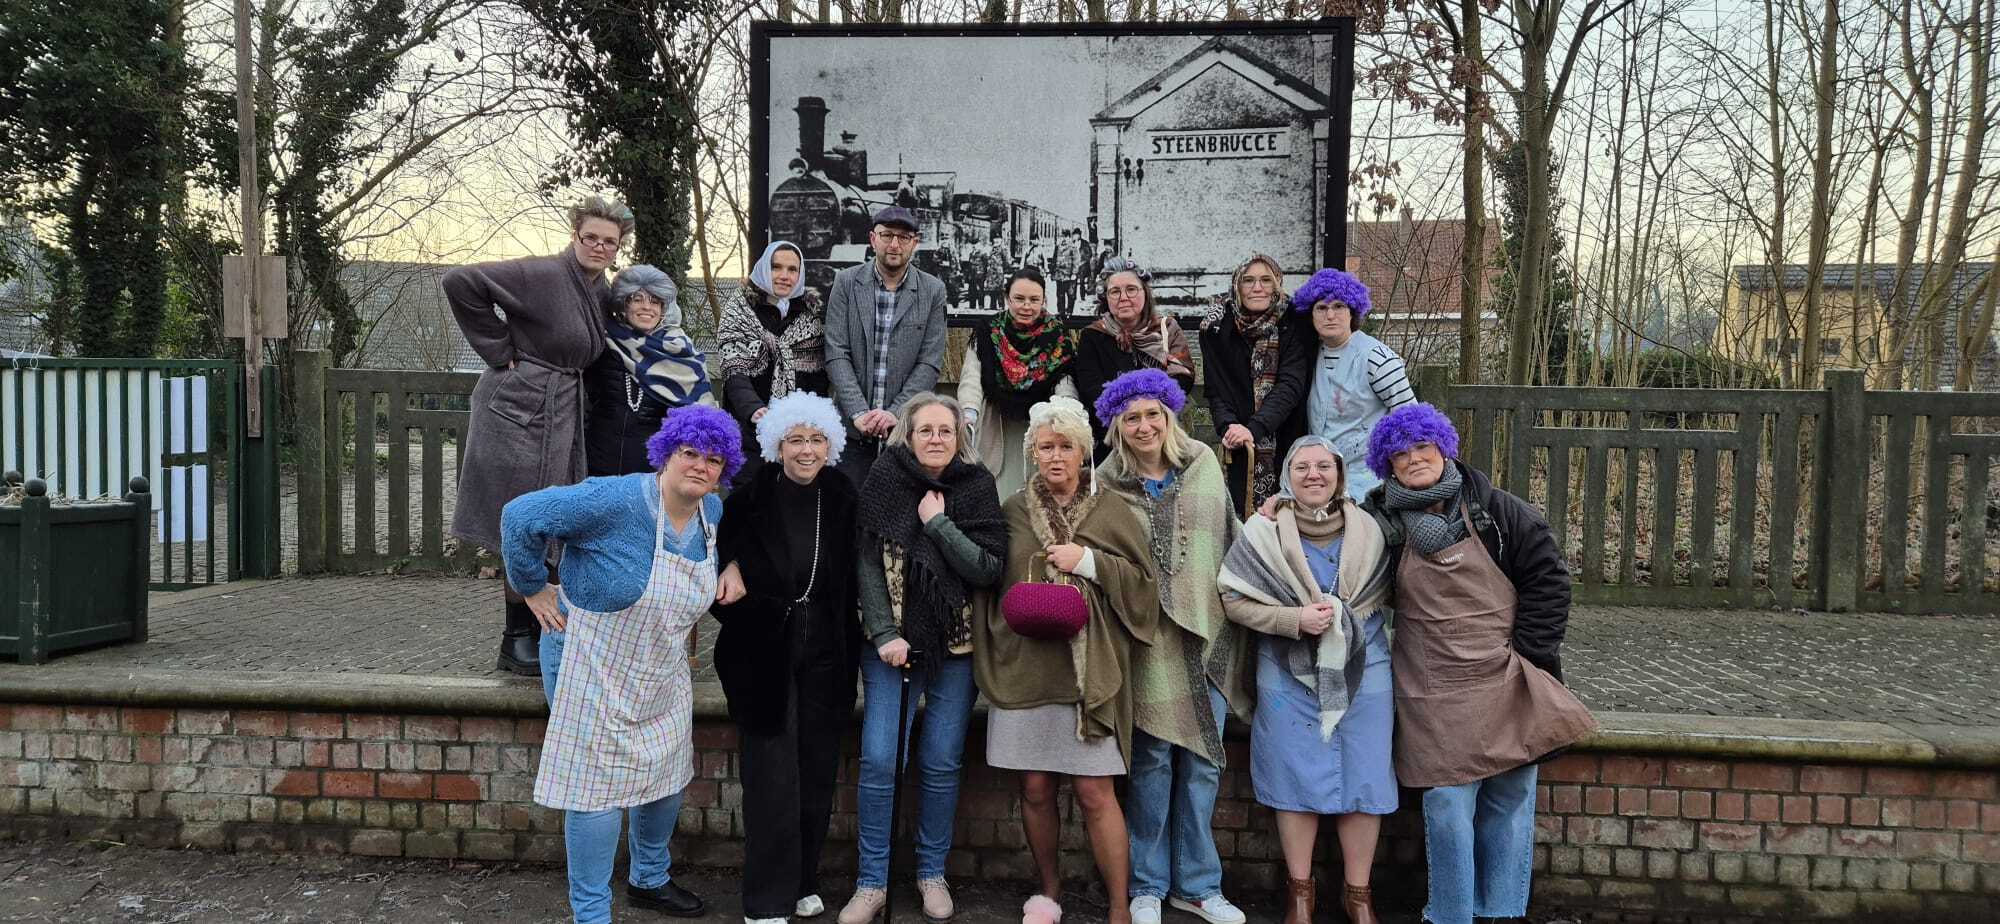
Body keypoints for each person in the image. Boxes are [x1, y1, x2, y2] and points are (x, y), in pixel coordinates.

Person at [499, 404, 742, 924]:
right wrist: (532, 587)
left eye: (714, 460)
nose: (701, 466)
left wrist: (734, 566)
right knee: (596, 790)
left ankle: (649, 879)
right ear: (667, 453)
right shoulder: (613, 500)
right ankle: (591, 913)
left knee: (666, 776)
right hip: (590, 661)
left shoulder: (711, 513)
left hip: (662, 667)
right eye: (690, 453)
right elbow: (520, 515)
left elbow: (722, 554)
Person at [1360, 404, 1597, 924]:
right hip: (1432, 685)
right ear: (1386, 464)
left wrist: (1529, 654)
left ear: (1443, 447)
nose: (1413, 458)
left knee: (1510, 798)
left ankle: (1502, 911)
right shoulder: (1377, 523)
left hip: (1505, 673)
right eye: (1400, 453)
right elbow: (1335, 553)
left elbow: (1549, 581)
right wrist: (1283, 511)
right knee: (1446, 803)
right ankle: (1450, 914)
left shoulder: (1500, 513)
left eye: (1422, 446)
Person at [972, 396, 1157, 924]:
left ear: (1083, 453)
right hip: (1026, 667)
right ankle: (1048, 893)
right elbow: (990, 581)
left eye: (1066, 447)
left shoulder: (1112, 510)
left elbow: (1143, 590)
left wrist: (1091, 562)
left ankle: (1119, 907)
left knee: (1096, 791)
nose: (1056, 457)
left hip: (1088, 674)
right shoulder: (1012, 511)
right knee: (1034, 788)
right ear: (1032, 453)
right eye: (1046, 447)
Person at [446, 194, 630, 677]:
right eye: (591, 237)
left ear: (618, 248)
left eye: (609, 242)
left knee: (552, 518)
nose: (599, 246)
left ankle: (541, 629)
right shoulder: (541, 273)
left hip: (563, 411)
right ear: (575, 235)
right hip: (517, 410)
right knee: (521, 517)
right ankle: (515, 638)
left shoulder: (599, 290)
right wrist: (497, 347)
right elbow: (460, 281)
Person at [841, 393, 1008, 924]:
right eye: (925, 430)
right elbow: (866, 563)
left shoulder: (977, 487)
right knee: (879, 759)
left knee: (940, 761)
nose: (936, 438)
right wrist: (884, 633)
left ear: (960, 437)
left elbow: (986, 568)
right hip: (890, 648)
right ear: (907, 436)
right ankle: (871, 882)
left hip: (955, 647)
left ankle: (931, 872)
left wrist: (938, 524)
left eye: (945, 430)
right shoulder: (883, 480)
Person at [1091, 369, 1250, 924]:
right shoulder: (1106, 482)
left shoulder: (1202, 463)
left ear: (1169, 416)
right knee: (1153, 761)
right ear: (1117, 426)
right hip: (1147, 638)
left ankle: (1199, 886)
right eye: (1131, 418)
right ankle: (1147, 884)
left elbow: (1230, 537)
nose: (1144, 426)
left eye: (1152, 414)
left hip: (1208, 630)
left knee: (1205, 762)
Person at [1218, 437, 1396, 924]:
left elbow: (1397, 587)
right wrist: (1293, 619)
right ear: (1287, 477)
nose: (1313, 474)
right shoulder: (1263, 533)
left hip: (1365, 669)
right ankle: (1300, 892)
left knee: (1365, 776)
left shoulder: (1372, 528)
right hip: (1286, 670)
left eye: (1323, 466)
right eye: (1302, 467)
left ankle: (1358, 894)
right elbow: (1232, 598)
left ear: (1340, 473)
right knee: (1294, 775)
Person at [713, 392, 859, 924]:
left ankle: (803, 880)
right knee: (771, 774)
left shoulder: (842, 495)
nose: (806, 450)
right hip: (762, 651)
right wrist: (728, 565)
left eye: (817, 439)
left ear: (830, 444)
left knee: (816, 770)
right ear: (777, 444)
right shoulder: (749, 496)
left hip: (827, 650)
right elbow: (714, 556)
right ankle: (765, 900)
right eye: (796, 439)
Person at [823, 206, 950, 485]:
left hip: (905, 433)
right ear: (873, 238)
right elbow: (836, 352)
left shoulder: (932, 291)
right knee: (848, 506)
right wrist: (858, 412)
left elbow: (929, 363)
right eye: (887, 235)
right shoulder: (846, 283)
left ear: (915, 243)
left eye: (903, 237)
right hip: (851, 431)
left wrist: (895, 413)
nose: (894, 244)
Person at [1199, 255, 1314, 514]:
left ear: (1277, 284)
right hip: (1237, 442)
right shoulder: (1215, 327)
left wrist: (1255, 428)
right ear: (1237, 286)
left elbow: (1290, 385)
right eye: (1248, 280)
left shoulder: (1294, 321)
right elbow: (1216, 387)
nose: (1257, 288)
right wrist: (1229, 426)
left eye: (1266, 280)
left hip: (1286, 438)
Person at [956, 267, 1078, 499]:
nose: (1026, 306)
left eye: (1034, 299)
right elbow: (972, 377)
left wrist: (1066, 411)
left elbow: (1064, 377)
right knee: (995, 491)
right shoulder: (988, 331)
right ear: (1007, 298)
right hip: (996, 422)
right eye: (1019, 299)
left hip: (1039, 422)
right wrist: (968, 413)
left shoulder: (1057, 334)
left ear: (1044, 300)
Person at [1294, 269, 1415, 502]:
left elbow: (1408, 418)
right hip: (1319, 480)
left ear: (1353, 312)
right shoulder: (1308, 358)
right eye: (1321, 308)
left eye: (1339, 306)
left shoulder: (1377, 359)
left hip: (1369, 483)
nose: (1330, 315)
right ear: (1311, 314)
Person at [586, 264, 715, 476]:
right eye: (637, 299)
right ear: (624, 304)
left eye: (655, 301)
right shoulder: (604, 342)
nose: (647, 307)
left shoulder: (682, 353)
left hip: (654, 470)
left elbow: (701, 416)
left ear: (663, 308)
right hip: (597, 464)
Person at [720, 241, 831, 482]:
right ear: (763, 268)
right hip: (749, 436)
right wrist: (754, 409)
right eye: (776, 267)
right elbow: (733, 370)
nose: (784, 276)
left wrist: (807, 425)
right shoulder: (739, 310)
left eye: (792, 270)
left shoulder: (811, 317)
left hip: (797, 440)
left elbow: (817, 381)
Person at [1073, 259, 1195, 463]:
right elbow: (1092, 389)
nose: (1123, 297)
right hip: (1113, 439)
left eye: (1131, 289)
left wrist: (1145, 413)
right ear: (1106, 298)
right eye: (1115, 291)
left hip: (1162, 434)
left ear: (1145, 293)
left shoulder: (1166, 329)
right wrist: (1132, 417)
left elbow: (1182, 379)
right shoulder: (1092, 336)